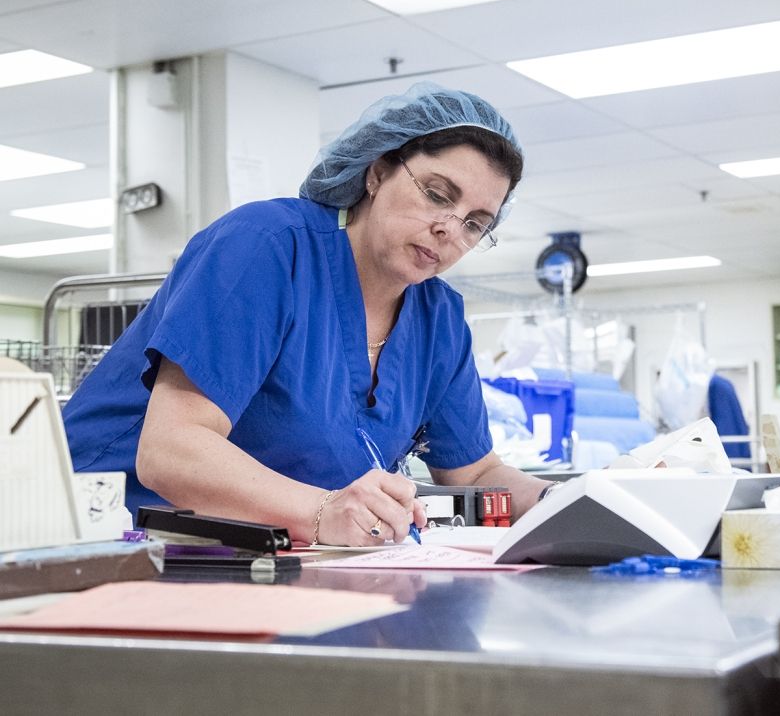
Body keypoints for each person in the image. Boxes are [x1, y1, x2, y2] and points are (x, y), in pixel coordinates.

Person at [64, 82, 554, 546]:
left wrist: (567, 500)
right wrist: (323, 512)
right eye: (436, 194)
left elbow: (475, 474)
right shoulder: (266, 247)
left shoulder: (439, 319)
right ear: (378, 173)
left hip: (271, 556)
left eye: (475, 224)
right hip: (110, 541)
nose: (450, 229)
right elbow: (171, 452)